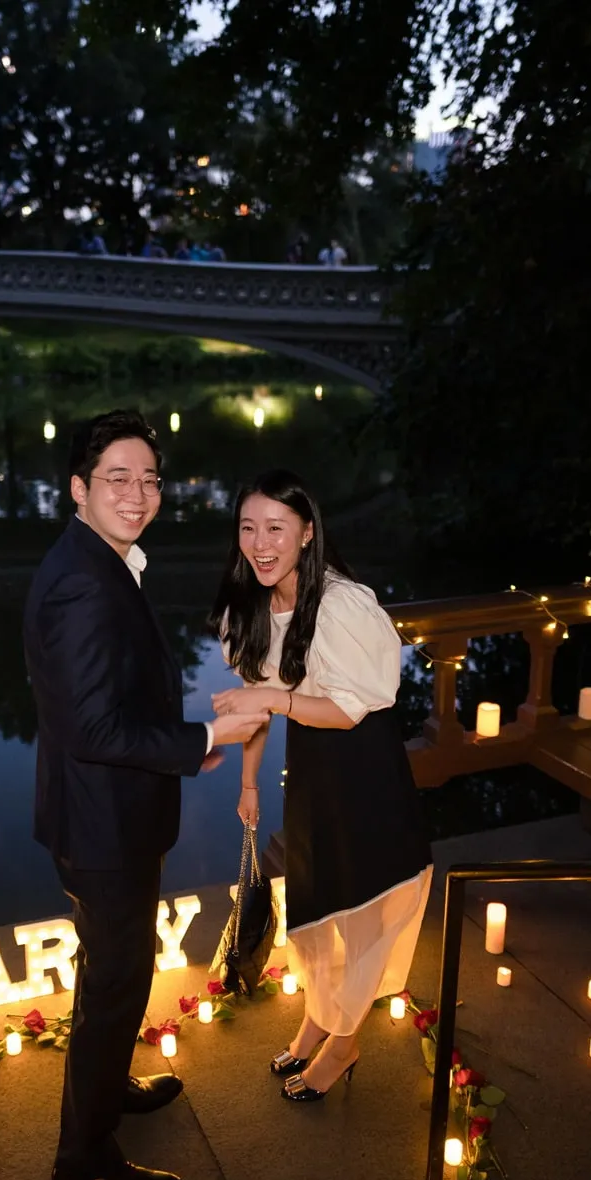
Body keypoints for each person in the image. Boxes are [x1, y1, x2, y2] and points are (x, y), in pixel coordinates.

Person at [25, 411, 270, 1180]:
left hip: (108, 812)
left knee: (114, 974)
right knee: (115, 983)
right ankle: (83, 1162)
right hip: (102, 826)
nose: (138, 494)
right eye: (116, 478)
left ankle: (108, 1087)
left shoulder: (101, 560)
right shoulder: (79, 584)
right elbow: (91, 726)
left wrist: (188, 737)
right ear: (77, 488)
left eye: (149, 479)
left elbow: (105, 701)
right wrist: (208, 731)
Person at [208, 469, 432, 1103]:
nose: (259, 542)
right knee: (316, 905)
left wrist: (274, 699)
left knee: (360, 909)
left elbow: (346, 709)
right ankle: (318, 1017)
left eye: (275, 528)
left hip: (363, 771)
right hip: (309, 773)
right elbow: (258, 706)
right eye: (248, 528)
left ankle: (343, 1040)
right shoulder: (250, 604)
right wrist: (249, 783)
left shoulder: (339, 603)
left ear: (307, 533)